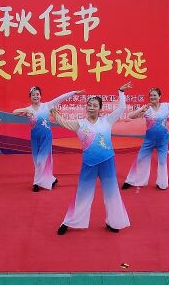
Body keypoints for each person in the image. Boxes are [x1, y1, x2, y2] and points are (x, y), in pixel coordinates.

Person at [50, 82, 133, 235]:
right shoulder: (80, 123)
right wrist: (54, 111)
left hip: (107, 161)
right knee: (82, 193)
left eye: (95, 105)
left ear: (100, 108)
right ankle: (69, 221)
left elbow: (121, 108)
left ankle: (113, 222)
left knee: (111, 192)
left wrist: (120, 91)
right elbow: (63, 122)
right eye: (89, 105)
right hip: (89, 163)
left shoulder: (107, 121)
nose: (91, 107)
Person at [12, 87, 84, 192]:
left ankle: (36, 183)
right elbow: (14, 112)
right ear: (30, 97)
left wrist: (74, 92)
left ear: (40, 96)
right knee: (37, 161)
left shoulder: (47, 106)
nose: (35, 96)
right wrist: (26, 110)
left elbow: (61, 98)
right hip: (35, 137)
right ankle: (52, 179)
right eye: (33, 95)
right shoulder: (29, 110)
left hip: (46, 137)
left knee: (42, 161)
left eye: (37, 94)